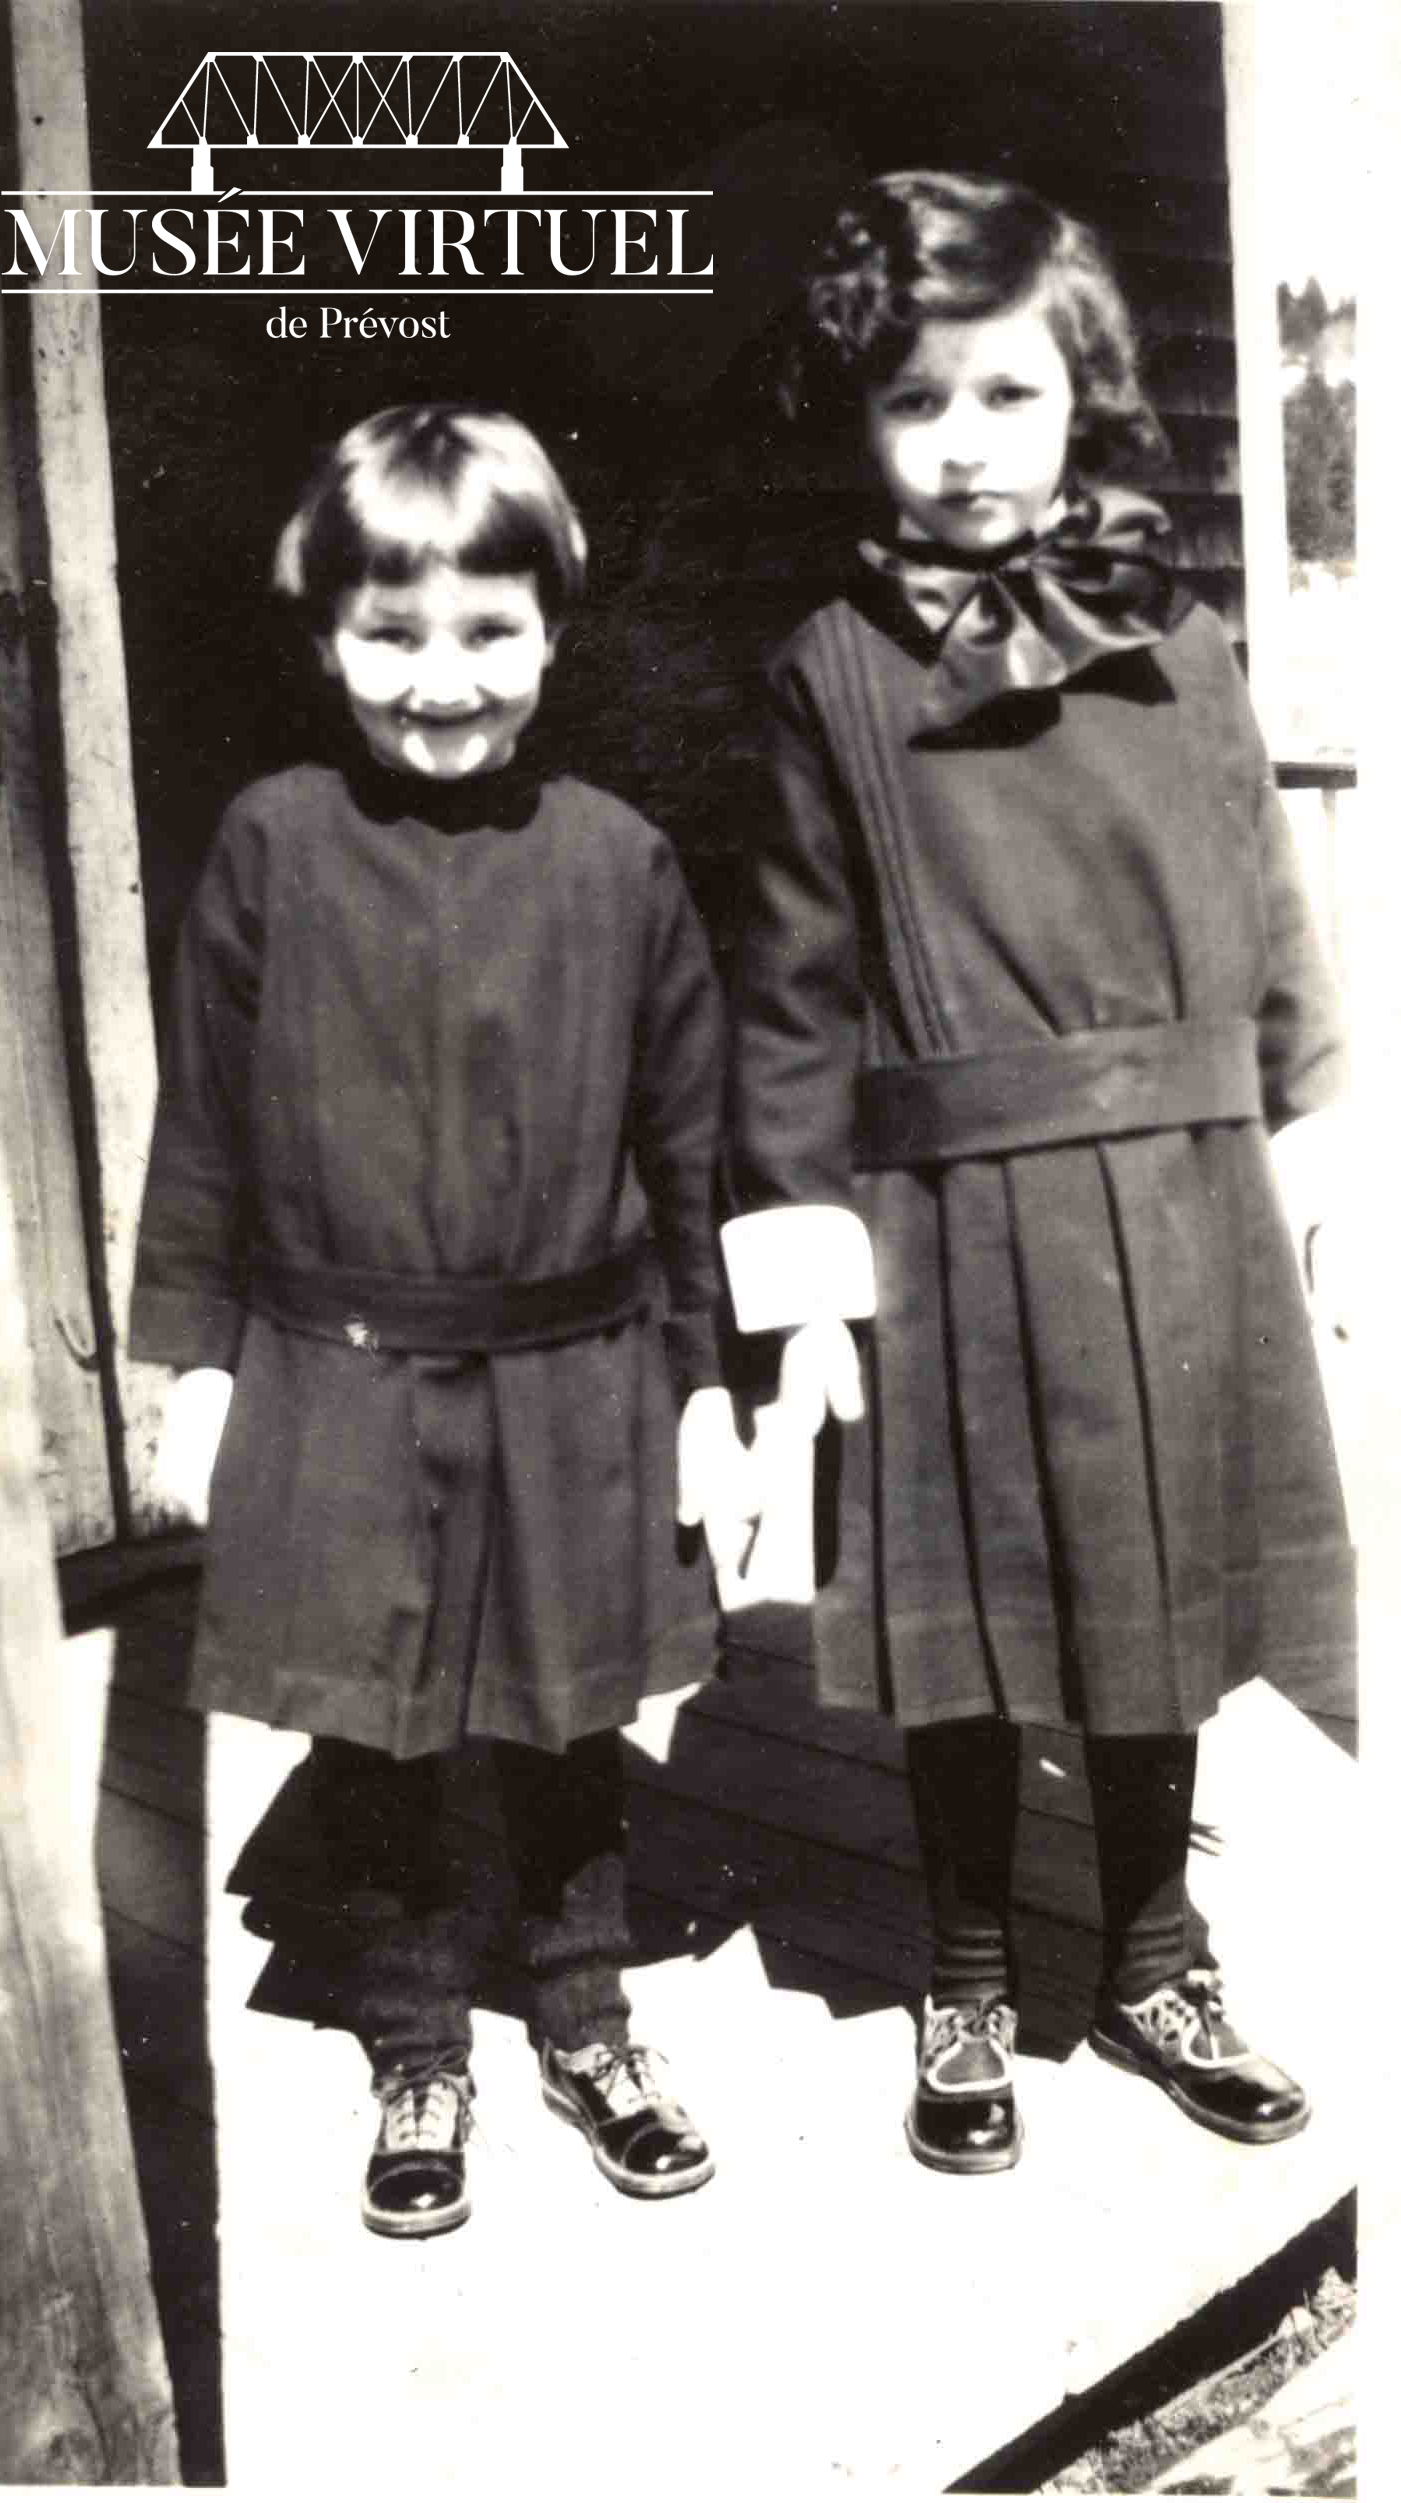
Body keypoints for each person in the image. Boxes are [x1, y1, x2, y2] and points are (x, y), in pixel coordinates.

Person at [722, 172, 1355, 2175]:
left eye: (1007, 393)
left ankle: (1156, 1945)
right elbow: (793, 980)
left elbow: (1260, 894)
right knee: (973, 1610)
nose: (967, 441)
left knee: (1159, 1587)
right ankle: (971, 1963)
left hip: (1176, 1195)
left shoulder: (1179, 629)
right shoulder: (829, 668)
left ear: (1078, 389)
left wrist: (1314, 1127)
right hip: (949, 1209)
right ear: (857, 422)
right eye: (918, 404)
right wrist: (806, 1264)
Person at [131, 404, 753, 2235]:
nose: (439, 679)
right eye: (389, 634)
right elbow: (205, 1132)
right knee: (377, 1723)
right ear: (325, 637)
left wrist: (707, 1394)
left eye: (487, 630)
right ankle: (414, 2040)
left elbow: (693, 1151)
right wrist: (191, 1367)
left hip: (576, 1364)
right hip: (339, 1365)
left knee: (567, 1712)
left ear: (553, 628)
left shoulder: (617, 862)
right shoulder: (272, 843)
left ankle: (581, 2008)